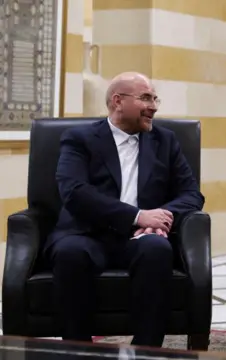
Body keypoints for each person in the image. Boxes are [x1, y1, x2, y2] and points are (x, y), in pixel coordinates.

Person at [46, 71, 205, 347]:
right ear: (118, 101)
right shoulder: (80, 139)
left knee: (157, 249)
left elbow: (191, 194)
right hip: (86, 233)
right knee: (70, 253)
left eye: (155, 98)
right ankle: (78, 351)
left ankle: (145, 350)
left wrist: (161, 217)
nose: (154, 106)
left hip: (140, 237)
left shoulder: (165, 141)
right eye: (146, 98)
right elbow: (74, 192)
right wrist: (136, 215)